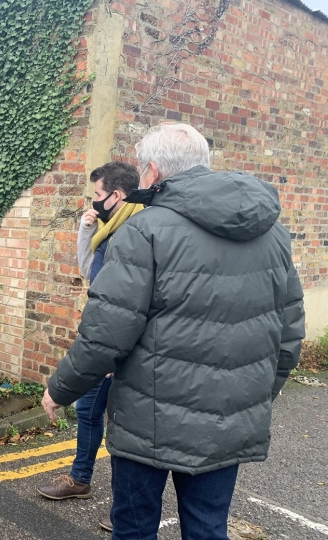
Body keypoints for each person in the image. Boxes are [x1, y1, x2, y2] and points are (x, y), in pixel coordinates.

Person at [42, 122, 305, 540]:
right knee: (206, 527)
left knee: (134, 528)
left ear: (152, 172)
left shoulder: (144, 230)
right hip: (229, 416)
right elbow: (289, 332)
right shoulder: (272, 232)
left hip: (149, 417)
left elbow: (107, 332)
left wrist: (61, 387)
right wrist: (254, 394)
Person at [37, 162, 143, 535]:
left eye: (98, 195)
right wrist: (85, 229)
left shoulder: (135, 233)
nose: (93, 201)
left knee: (121, 426)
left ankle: (122, 509)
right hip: (106, 340)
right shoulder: (110, 230)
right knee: (89, 410)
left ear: (117, 195)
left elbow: (128, 302)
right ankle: (82, 481)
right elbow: (90, 273)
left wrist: (112, 353)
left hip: (119, 349)